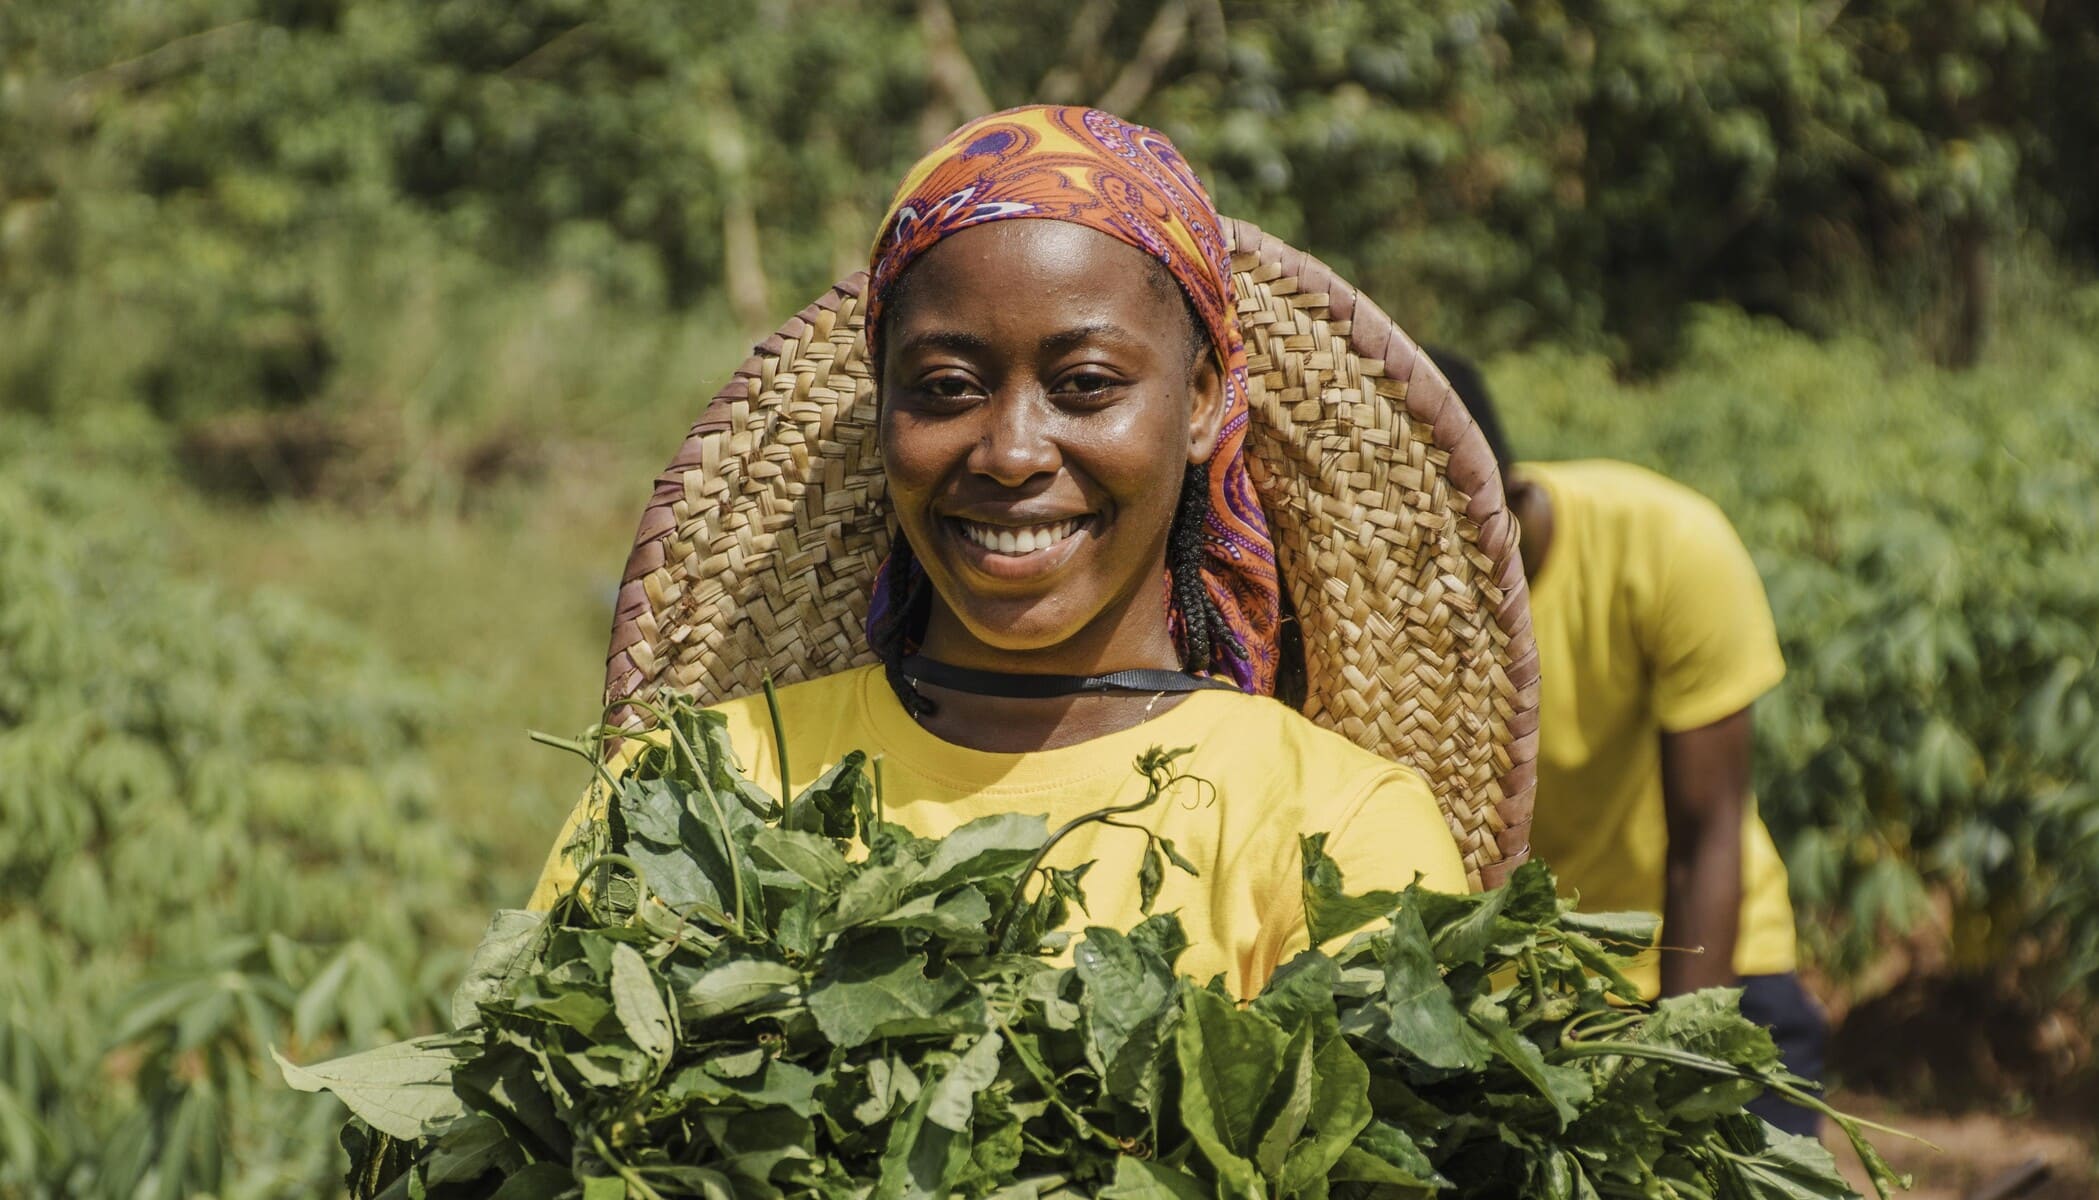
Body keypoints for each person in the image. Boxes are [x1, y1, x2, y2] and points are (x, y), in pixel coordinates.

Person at [529, 106, 1467, 998]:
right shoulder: (698, 799)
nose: (1012, 451)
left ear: (1203, 399)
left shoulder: (1334, 832)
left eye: (1086, 385)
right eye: (945, 386)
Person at [1426, 349, 1826, 1134]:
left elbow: (1705, 832)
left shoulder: (1665, 543)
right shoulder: (1401, 593)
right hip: (1533, 989)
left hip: (1709, 956)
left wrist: (1678, 1072)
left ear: (1511, 494)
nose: (1442, 573)